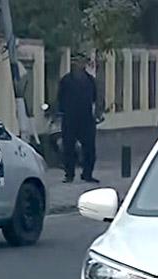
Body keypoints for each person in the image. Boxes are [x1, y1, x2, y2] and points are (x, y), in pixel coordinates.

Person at [57, 55, 100, 184]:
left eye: (80, 62)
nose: (77, 65)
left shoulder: (90, 81)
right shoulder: (66, 80)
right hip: (70, 118)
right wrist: (62, 112)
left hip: (86, 118)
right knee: (68, 147)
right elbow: (60, 97)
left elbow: (94, 98)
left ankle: (87, 174)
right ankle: (69, 174)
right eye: (75, 62)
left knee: (90, 148)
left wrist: (96, 113)